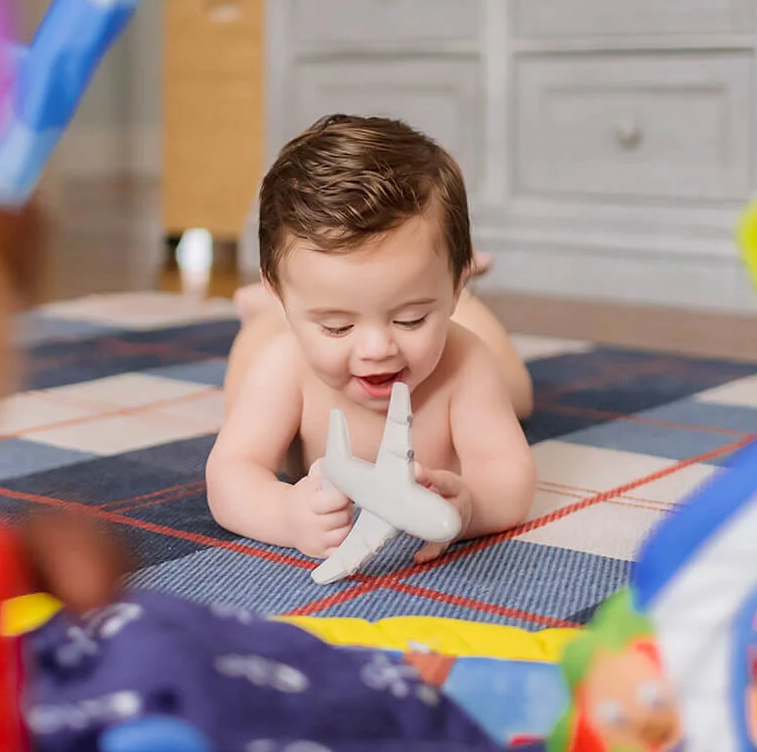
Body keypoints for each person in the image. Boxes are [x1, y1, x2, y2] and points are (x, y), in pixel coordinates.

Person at [206, 114, 537, 562]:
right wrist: (285, 513)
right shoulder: (286, 365)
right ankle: (264, 310)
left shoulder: (465, 362)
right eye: (338, 326)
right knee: (247, 370)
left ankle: (454, 288)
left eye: (411, 319)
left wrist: (472, 506)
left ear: (452, 289)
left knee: (517, 392)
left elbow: (509, 475)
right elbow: (230, 473)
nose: (377, 349)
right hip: (280, 330)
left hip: (443, 309)